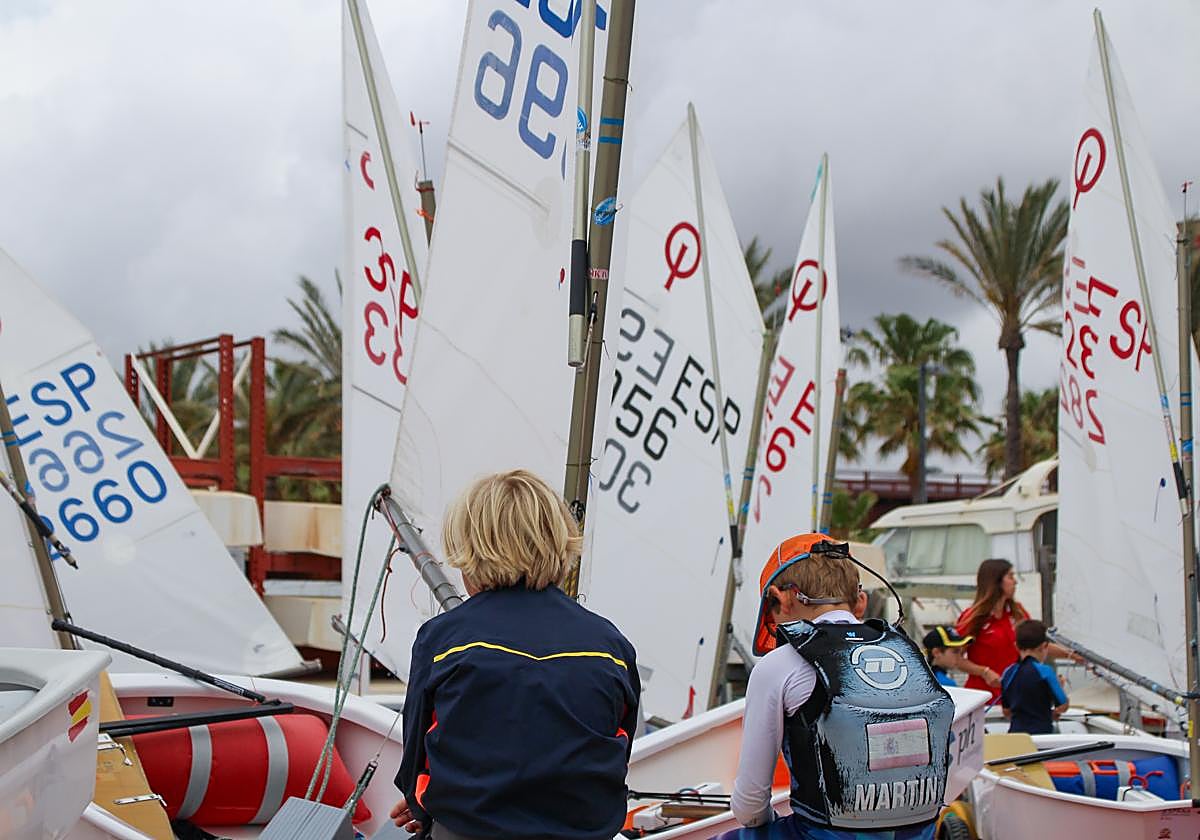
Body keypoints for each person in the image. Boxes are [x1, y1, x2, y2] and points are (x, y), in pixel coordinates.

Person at [390, 469, 640, 840]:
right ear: (559, 543)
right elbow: (614, 753)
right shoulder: (611, 647)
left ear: (471, 552)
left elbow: (414, 769)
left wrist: (422, 805)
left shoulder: (443, 641)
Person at [718, 535, 953, 840]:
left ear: (783, 598)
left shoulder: (778, 665)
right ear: (860, 602)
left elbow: (750, 806)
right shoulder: (908, 652)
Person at [954, 559, 1075, 701]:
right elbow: (957, 660)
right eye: (1010, 576)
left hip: (1017, 697)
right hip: (984, 699)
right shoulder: (973, 618)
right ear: (996, 581)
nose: (1015, 582)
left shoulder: (1017, 613)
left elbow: (1038, 645)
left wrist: (1071, 655)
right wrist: (984, 672)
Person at [1000, 620, 1069, 735]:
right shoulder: (1045, 672)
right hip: (1042, 735)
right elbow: (1062, 705)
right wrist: (1060, 687)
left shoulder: (1008, 673)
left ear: (1016, 646)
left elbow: (1006, 711)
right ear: (1044, 646)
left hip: (1016, 735)